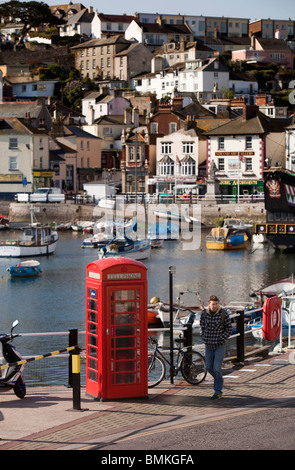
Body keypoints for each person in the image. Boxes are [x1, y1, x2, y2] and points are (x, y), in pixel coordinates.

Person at [199, 295, 232, 399]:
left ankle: (217, 391)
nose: (215, 306)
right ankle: (219, 380)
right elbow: (201, 327)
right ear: (209, 304)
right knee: (208, 367)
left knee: (217, 368)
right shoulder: (204, 314)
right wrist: (203, 337)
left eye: (217, 304)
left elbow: (229, 329)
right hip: (208, 345)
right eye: (213, 304)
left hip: (219, 346)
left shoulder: (223, 314)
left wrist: (221, 339)